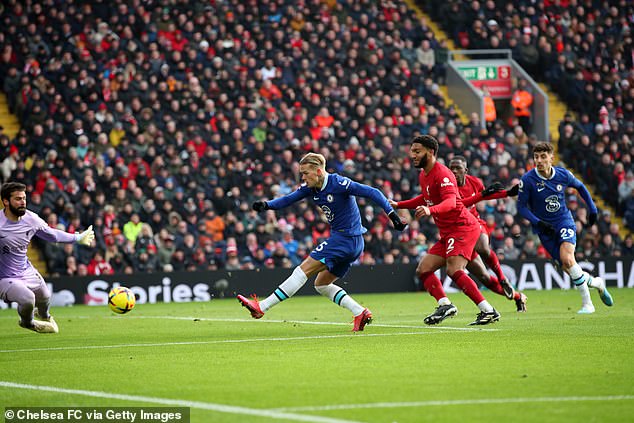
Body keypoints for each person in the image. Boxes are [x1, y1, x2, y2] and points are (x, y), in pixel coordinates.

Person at [237, 152, 407, 331]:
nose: (302, 177)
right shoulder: (311, 188)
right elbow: (288, 199)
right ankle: (360, 312)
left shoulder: (339, 183)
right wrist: (266, 205)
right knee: (321, 284)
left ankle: (261, 307)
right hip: (353, 242)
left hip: (344, 239)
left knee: (302, 271)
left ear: (318, 171)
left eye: (305, 173)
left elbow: (373, 192)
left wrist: (392, 215)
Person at [390, 135, 499, 326]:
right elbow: (425, 197)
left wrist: (430, 210)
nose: (412, 155)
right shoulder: (424, 174)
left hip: (463, 227)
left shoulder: (444, 174)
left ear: (431, 152)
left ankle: (488, 310)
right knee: (424, 269)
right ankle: (445, 304)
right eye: (412, 151)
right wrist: (399, 204)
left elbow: (450, 202)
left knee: (454, 269)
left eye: (417, 151)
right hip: (449, 232)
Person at [517, 142, 613, 313]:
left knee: (568, 259)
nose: (539, 160)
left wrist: (592, 209)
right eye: (536, 157)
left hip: (563, 221)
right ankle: (597, 283)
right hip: (544, 229)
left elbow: (581, 187)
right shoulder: (527, 180)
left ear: (551, 158)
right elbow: (521, 208)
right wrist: (538, 222)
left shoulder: (562, 174)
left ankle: (587, 304)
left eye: (543, 156)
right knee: (569, 268)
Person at [0, 182, 95, 333]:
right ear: (5, 201)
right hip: (4, 277)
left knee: (44, 297)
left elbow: (52, 234)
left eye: (24, 198)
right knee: (27, 298)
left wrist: (77, 238)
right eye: (18, 199)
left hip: (25, 270)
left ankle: (44, 316)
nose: (23, 202)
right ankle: (28, 323)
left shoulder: (31, 219)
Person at [448, 156, 528, 312]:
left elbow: (487, 195)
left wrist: (508, 193)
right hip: (458, 233)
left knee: (483, 248)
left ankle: (502, 278)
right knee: (484, 277)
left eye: (457, 168)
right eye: (451, 168)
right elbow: (461, 204)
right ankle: (518, 296)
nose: (454, 172)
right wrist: (482, 195)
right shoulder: (447, 186)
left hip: (474, 224)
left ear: (466, 170)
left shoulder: (475, 182)